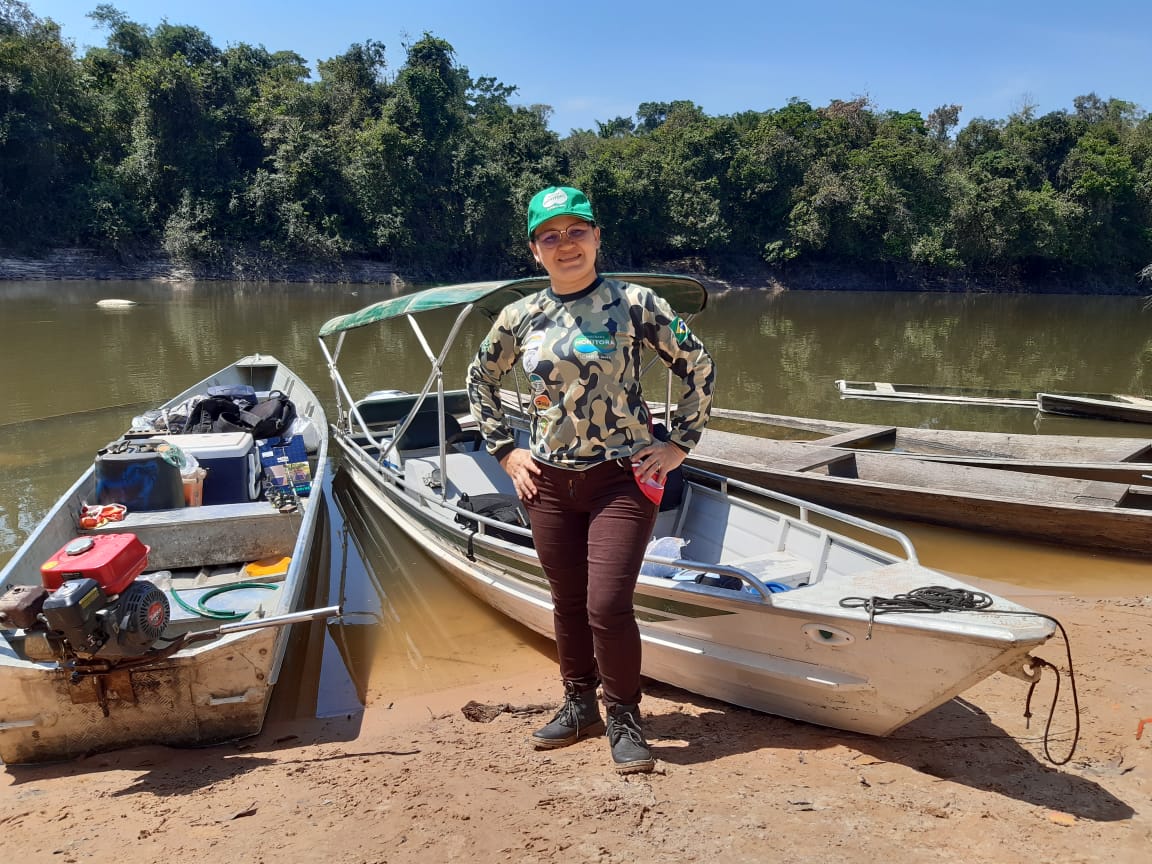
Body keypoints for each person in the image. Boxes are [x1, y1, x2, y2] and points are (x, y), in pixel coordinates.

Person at [465, 186, 715, 774]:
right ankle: (579, 705)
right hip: (548, 484)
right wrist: (505, 452)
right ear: (535, 250)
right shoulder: (520, 316)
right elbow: (479, 379)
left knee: (607, 604)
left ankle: (623, 714)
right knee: (568, 600)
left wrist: (678, 445)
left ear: (596, 237)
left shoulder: (635, 303)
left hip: (622, 479)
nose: (565, 244)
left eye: (576, 230)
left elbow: (697, 366)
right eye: (550, 236)